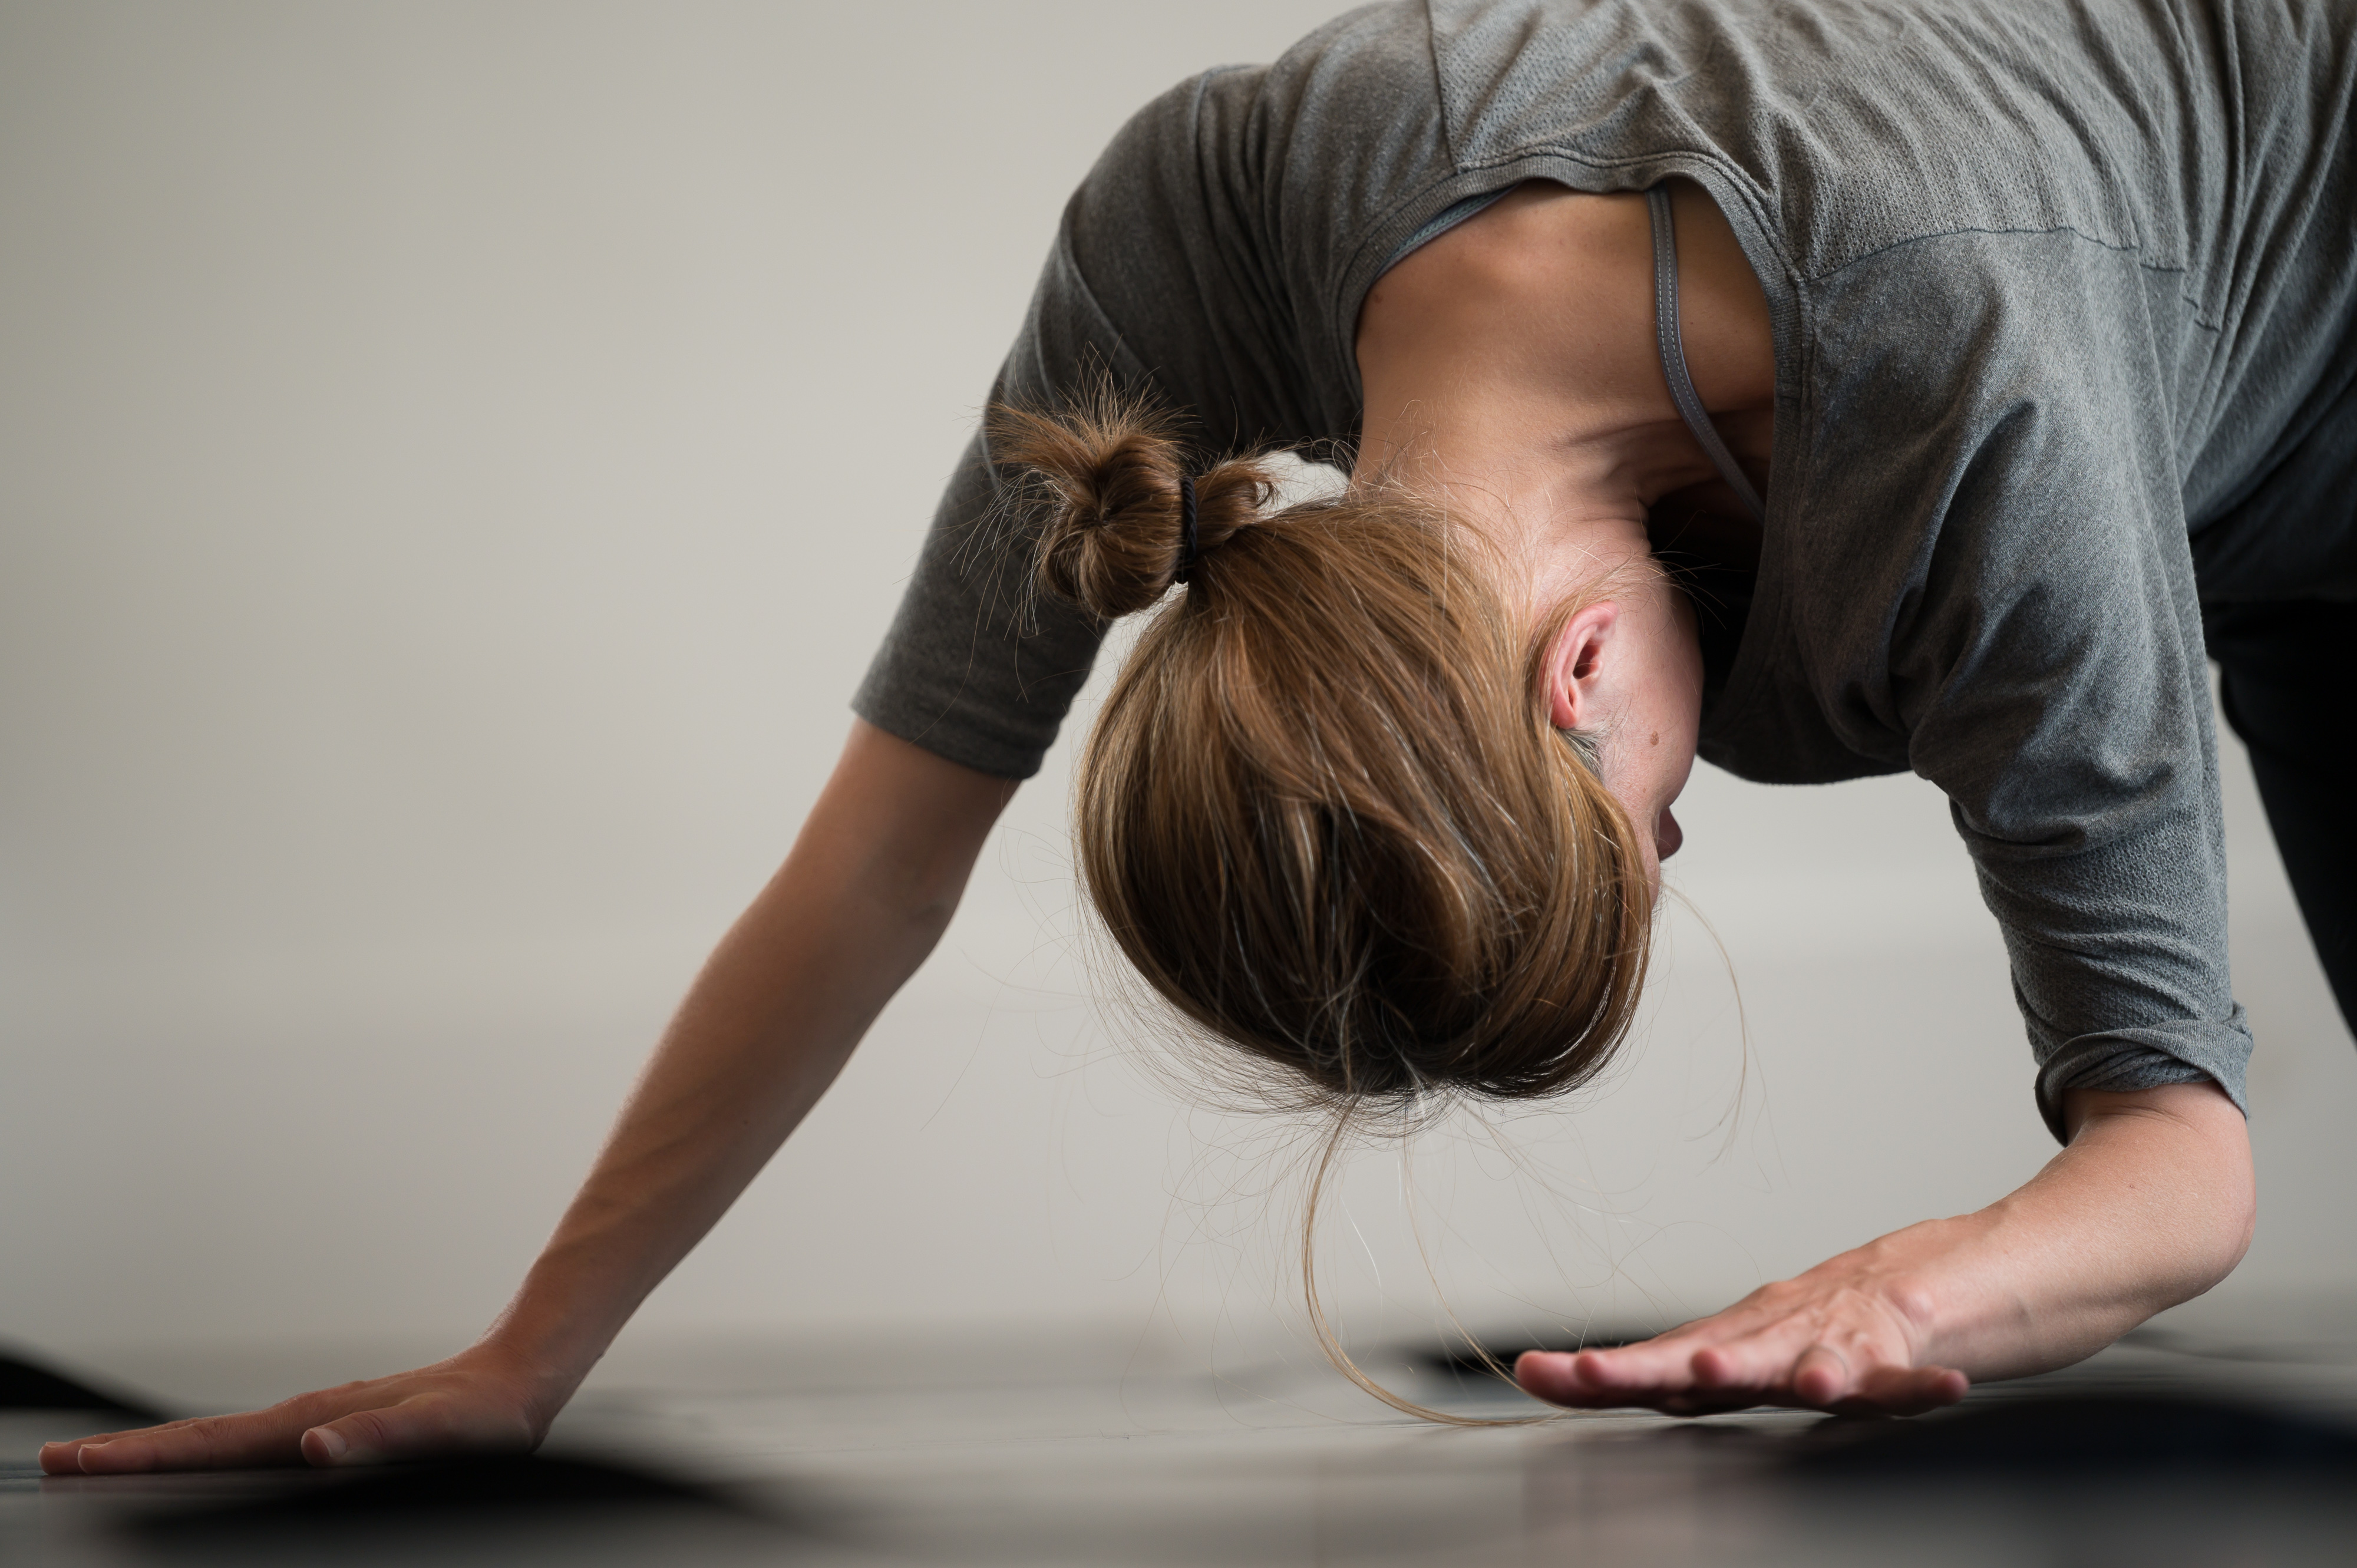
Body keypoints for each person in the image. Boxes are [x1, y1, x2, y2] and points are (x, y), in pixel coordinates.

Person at [44, 0, 2354, 1470]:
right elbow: (877, 860)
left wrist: (1891, 1293)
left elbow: (2180, 1166)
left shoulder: (1977, 410)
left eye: (1647, 839)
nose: (1683, 834)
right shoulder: (1214, 201)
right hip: (2181, 377)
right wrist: (522, 1357)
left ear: (1571, 688)